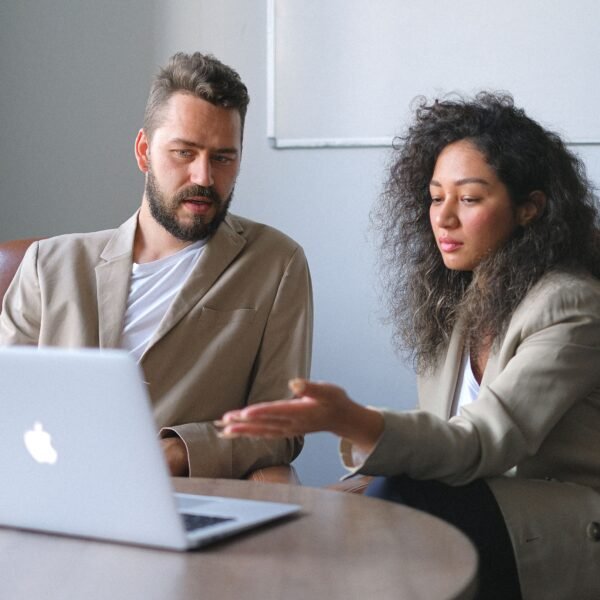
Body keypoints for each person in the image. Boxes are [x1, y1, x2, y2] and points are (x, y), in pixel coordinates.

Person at [219, 93, 600, 599]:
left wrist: (352, 419)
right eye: (435, 196)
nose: (443, 217)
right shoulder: (459, 302)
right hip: (477, 503)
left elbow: (482, 443)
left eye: (468, 198)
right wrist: (331, 497)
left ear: (529, 208)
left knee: (402, 496)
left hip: (563, 522)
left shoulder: (568, 305)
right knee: (331, 513)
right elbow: (439, 445)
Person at [0, 52, 313, 479]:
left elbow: (283, 425)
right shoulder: (49, 266)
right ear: (144, 151)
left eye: (223, 158)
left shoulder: (275, 263)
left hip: (182, 498)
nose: (203, 176)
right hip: (53, 487)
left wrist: (175, 452)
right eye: (184, 152)